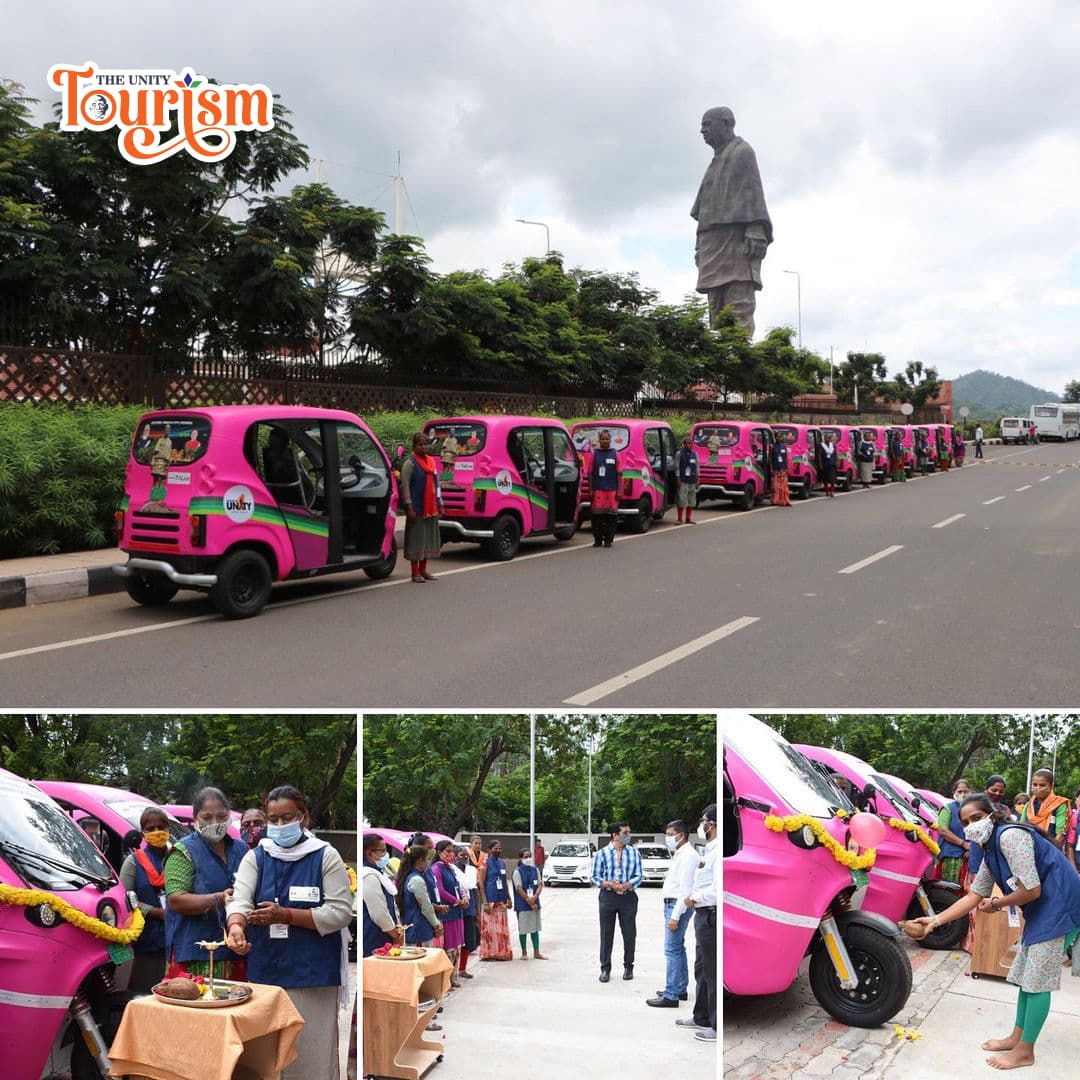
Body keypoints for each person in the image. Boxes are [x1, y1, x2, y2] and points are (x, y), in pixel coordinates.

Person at [904, 793, 1080, 1072]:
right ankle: (1017, 1037)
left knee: (1037, 980)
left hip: (1062, 904)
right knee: (1025, 975)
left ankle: (1025, 1051)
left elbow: (1031, 890)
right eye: (965, 822)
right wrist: (935, 921)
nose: (971, 825)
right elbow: (974, 896)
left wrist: (998, 903)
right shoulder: (988, 851)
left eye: (976, 817)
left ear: (992, 815)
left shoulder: (1009, 837)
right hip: (1043, 906)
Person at [226, 785, 353, 1080]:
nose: (280, 825)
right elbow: (241, 899)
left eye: (288, 817)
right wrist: (236, 926)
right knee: (268, 1059)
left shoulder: (325, 856)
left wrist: (287, 916)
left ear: (304, 817)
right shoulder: (256, 857)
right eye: (274, 819)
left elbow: (340, 912)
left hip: (313, 974)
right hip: (267, 971)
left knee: (310, 1055)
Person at [691, 106, 773, 335]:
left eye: (707, 124)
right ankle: (719, 364)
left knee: (738, 307)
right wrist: (699, 246)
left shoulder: (742, 152)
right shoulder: (715, 161)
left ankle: (741, 361)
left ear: (726, 123)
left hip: (735, 242)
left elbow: (753, 193)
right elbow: (704, 208)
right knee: (716, 314)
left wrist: (755, 230)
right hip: (712, 245)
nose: (702, 130)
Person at [164, 786, 247, 980]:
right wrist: (218, 899)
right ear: (195, 819)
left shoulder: (242, 849)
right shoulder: (183, 851)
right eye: (207, 817)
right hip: (196, 952)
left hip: (237, 948)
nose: (215, 822)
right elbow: (176, 900)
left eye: (221, 816)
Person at [647, 819, 700, 1008]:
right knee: (678, 947)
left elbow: (686, 890)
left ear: (681, 835)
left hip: (677, 906)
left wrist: (675, 916)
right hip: (673, 904)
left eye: (670, 835)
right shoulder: (680, 853)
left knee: (671, 949)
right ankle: (679, 988)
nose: (667, 838)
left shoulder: (688, 856)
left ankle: (671, 995)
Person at [119, 806, 171, 992]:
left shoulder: (177, 857)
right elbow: (125, 900)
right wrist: (158, 913)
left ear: (168, 829)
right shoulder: (133, 862)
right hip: (147, 941)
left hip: (175, 940)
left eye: (161, 826)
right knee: (145, 992)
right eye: (150, 829)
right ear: (143, 833)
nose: (157, 832)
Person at [676, 805, 717, 1042]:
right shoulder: (708, 849)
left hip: (710, 913)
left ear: (712, 824)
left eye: (704, 821)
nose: (701, 825)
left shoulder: (716, 851)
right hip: (703, 916)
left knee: (711, 971)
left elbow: (715, 890)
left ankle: (715, 1025)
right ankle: (701, 1016)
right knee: (701, 968)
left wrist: (695, 898)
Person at [591, 823, 642, 982]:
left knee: (629, 933)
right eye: (625, 832)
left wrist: (628, 884)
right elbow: (594, 876)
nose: (628, 835)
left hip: (628, 896)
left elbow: (639, 875)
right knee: (606, 933)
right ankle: (605, 968)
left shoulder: (634, 853)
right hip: (608, 896)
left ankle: (628, 967)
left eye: (629, 832)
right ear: (615, 835)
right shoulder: (602, 854)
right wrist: (609, 884)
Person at [399, 432, 442, 583]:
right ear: (414, 446)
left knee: (427, 539)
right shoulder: (409, 464)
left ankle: (423, 570)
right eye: (420, 444)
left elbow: (437, 484)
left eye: (426, 444)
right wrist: (409, 506)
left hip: (431, 508)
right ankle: (415, 572)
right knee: (416, 540)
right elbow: (405, 486)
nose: (424, 447)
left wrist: (440, 503)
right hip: (416, 507)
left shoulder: (432, 462)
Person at [431, 840, 468, 986]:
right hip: (447, 913)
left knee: (457, 946)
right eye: (448, 851)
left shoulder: (450, 868)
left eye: (452, 851)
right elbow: (440, 891)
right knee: (448, 947)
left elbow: (458, 885)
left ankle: (453, 977)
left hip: (457, 912)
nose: (451, 854)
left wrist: (464, 896)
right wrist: (456, 901)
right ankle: (445, 981)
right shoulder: (436, 869)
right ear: (439, 853)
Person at [360, 833, 402, 958]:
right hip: (375, 934)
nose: (386, 855)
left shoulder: (379, 873)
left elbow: (391, 905)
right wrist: (395, 934)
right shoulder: (368, 875)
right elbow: (379, 913)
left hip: (387, 933)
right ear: (369, 853)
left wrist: (397, 927)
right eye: (382, 851)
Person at [1022, 768, 1070, 850]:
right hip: (1027, 850)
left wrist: (1047, 851)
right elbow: (1021, 827)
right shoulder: (1028, 805)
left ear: (1051, 786)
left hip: (1050, 851)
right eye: (1035, 785)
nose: (1038, 788)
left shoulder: (1059, 804)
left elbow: (1061, 834)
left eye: (1042, 785)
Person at [935, 779, 972, 885]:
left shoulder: (973, 809)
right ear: (954, 793)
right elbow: (943, 830)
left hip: (970, 856)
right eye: (959, 791)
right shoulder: (948, 809)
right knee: (949, 891)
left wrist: (972, 847)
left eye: (966, 791)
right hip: (951, 856)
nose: (963, 794)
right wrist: (964, 844)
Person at [480, 840, 513, 960]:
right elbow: (481, 883)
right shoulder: (485, 863)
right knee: (489, 929)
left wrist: (509, 898)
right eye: (495, 849)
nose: (498, 851)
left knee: (501, 928)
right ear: (489, 850)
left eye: (500, 849)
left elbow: (504, 881)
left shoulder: (502, 863)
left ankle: (501, 953)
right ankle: (489, 953)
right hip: (490, 900)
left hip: (501, 900)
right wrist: (485, 902)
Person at [512, 847, 547, 959]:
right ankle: (524, 953)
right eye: (525, 857)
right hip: (523, 905)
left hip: (535, 904)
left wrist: (535, 897)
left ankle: (536, 952)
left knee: (535, 928)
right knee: (523, 929)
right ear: (521, 858)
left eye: (529, 856)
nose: (528, 859)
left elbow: (540, 885)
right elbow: (519, 888)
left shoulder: (535, 870)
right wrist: (529, 900)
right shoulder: (517, 872)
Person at [452, 846, 480, 977]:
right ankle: (452, 971)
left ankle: (462, 968)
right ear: (455, 856)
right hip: (457, 908)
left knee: (469, 940)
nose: (464, 858)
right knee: (455, 942)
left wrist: (477, 910)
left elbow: (474, 889)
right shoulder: (452, 870)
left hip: (470, 909)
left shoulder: (471, 870)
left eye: (466, 855)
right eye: (461, 855)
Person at [590, 429, 620, 548]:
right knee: (597, 517)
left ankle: (608, 540)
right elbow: (590, 473)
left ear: (610, 440)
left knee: (610, 517)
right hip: (598, 491)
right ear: (599, 440)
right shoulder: (594, 454)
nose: (605, 441)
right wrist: (591, 490)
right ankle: (598, 540)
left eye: (607, 438)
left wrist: (619, 491)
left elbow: (619, 474)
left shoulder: (615, 454)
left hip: (612, 491)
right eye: (602, 439)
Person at [675, 435, 698, 523]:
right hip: (682, 480)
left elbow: (697, 467)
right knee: (681, 499)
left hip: (692, 480)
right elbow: (676, 467)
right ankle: (680, 519)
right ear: (684, 444)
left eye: (690, 443)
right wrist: (677, 478)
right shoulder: (679, 454)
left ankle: (688, 519)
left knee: (691, 500)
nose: (689, 445)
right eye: (687, 443)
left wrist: (697, 478)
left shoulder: (694, 454)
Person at [769, 436, 790, 507]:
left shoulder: (784, 446)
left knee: (784, 486)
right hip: (775, 468)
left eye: (780, 437)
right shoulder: (772, 446)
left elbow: (785, 458)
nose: (779, 438)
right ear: (775, 437)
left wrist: (786, 468)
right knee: (776, 486)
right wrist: (771, 469)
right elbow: (770, 458)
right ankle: (776, 500)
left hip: (783, 468)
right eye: (777, 436)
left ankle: (784, 500)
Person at [818, 431, 838, 498]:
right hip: (825, 464)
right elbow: (819, 456)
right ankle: (826, 492)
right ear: (824, 438)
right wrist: (820, 464)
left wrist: (836, 462)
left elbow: (835, 454)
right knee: (825, 480)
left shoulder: (833, 446)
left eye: (829, 438)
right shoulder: (821, 445)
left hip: (832, 464)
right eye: (826, 438)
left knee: (832, 479)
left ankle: (832, 492)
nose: (828, 439)